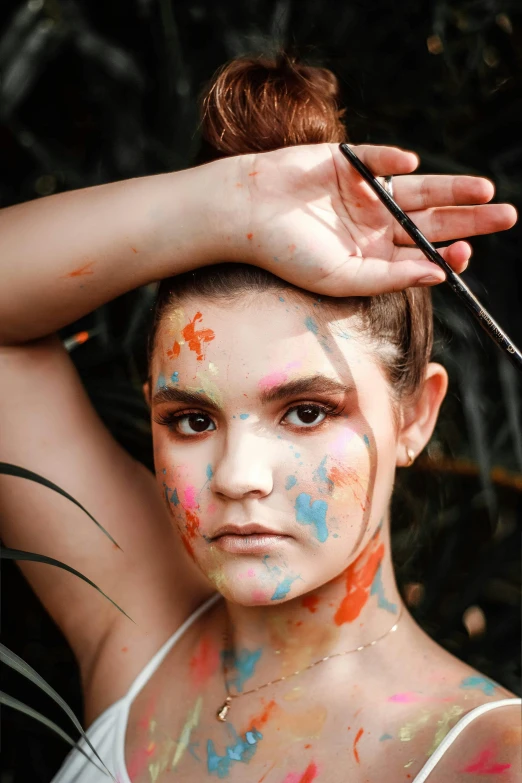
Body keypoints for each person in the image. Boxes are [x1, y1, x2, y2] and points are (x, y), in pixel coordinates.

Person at [0, 54, 520, 783]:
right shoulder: (136, 626)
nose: (238, 477)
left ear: (415, 414)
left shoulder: (487, 760)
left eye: (305, 412)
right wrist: (224, 210)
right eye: (190, 420)